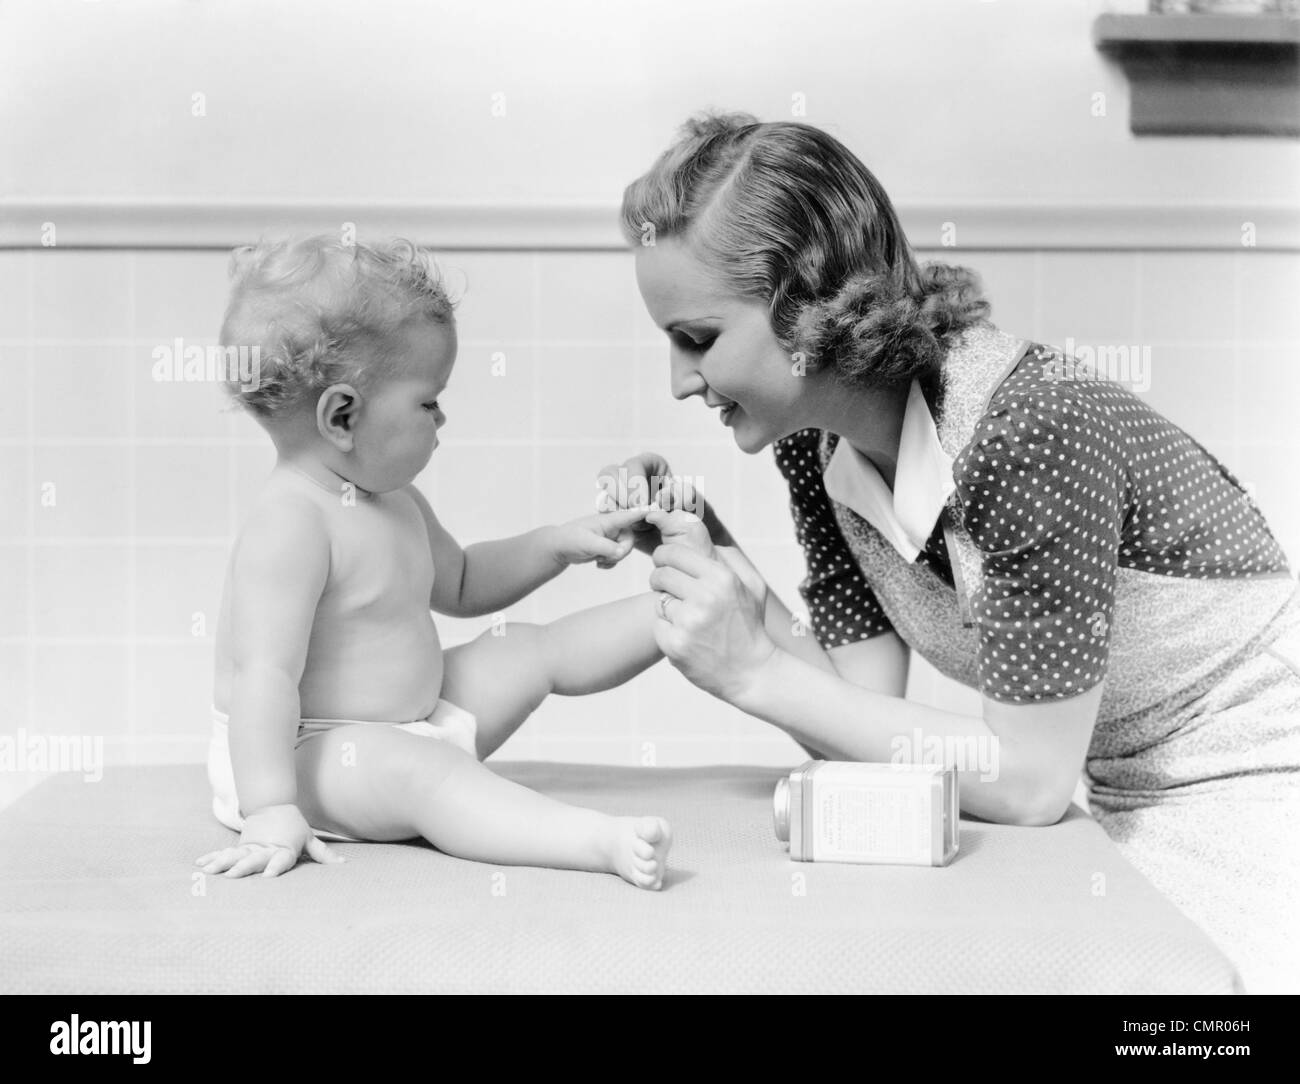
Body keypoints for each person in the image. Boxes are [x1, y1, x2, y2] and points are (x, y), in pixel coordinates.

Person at [602, 112, 1300, 989]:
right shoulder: (818, 450)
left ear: (806, 309)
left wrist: (748, 673)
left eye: (696, 339)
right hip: (1118, 789)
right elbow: (851, 713)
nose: (678, 381)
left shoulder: (1026, 428)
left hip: (1257, 785)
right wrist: (712, 552)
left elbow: (1028, 783)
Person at [196, 235, 677, 889]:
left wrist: (556, 543)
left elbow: (462, 582)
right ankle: (594, 840)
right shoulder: (291, 524)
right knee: (424, 777)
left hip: (414, 722)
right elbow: (263, 678)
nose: (442, 415)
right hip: (302, 757)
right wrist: (271, 807)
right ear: (343, 414)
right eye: (427, 401)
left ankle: (678, 609)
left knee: (525, 649)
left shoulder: (392, 498)